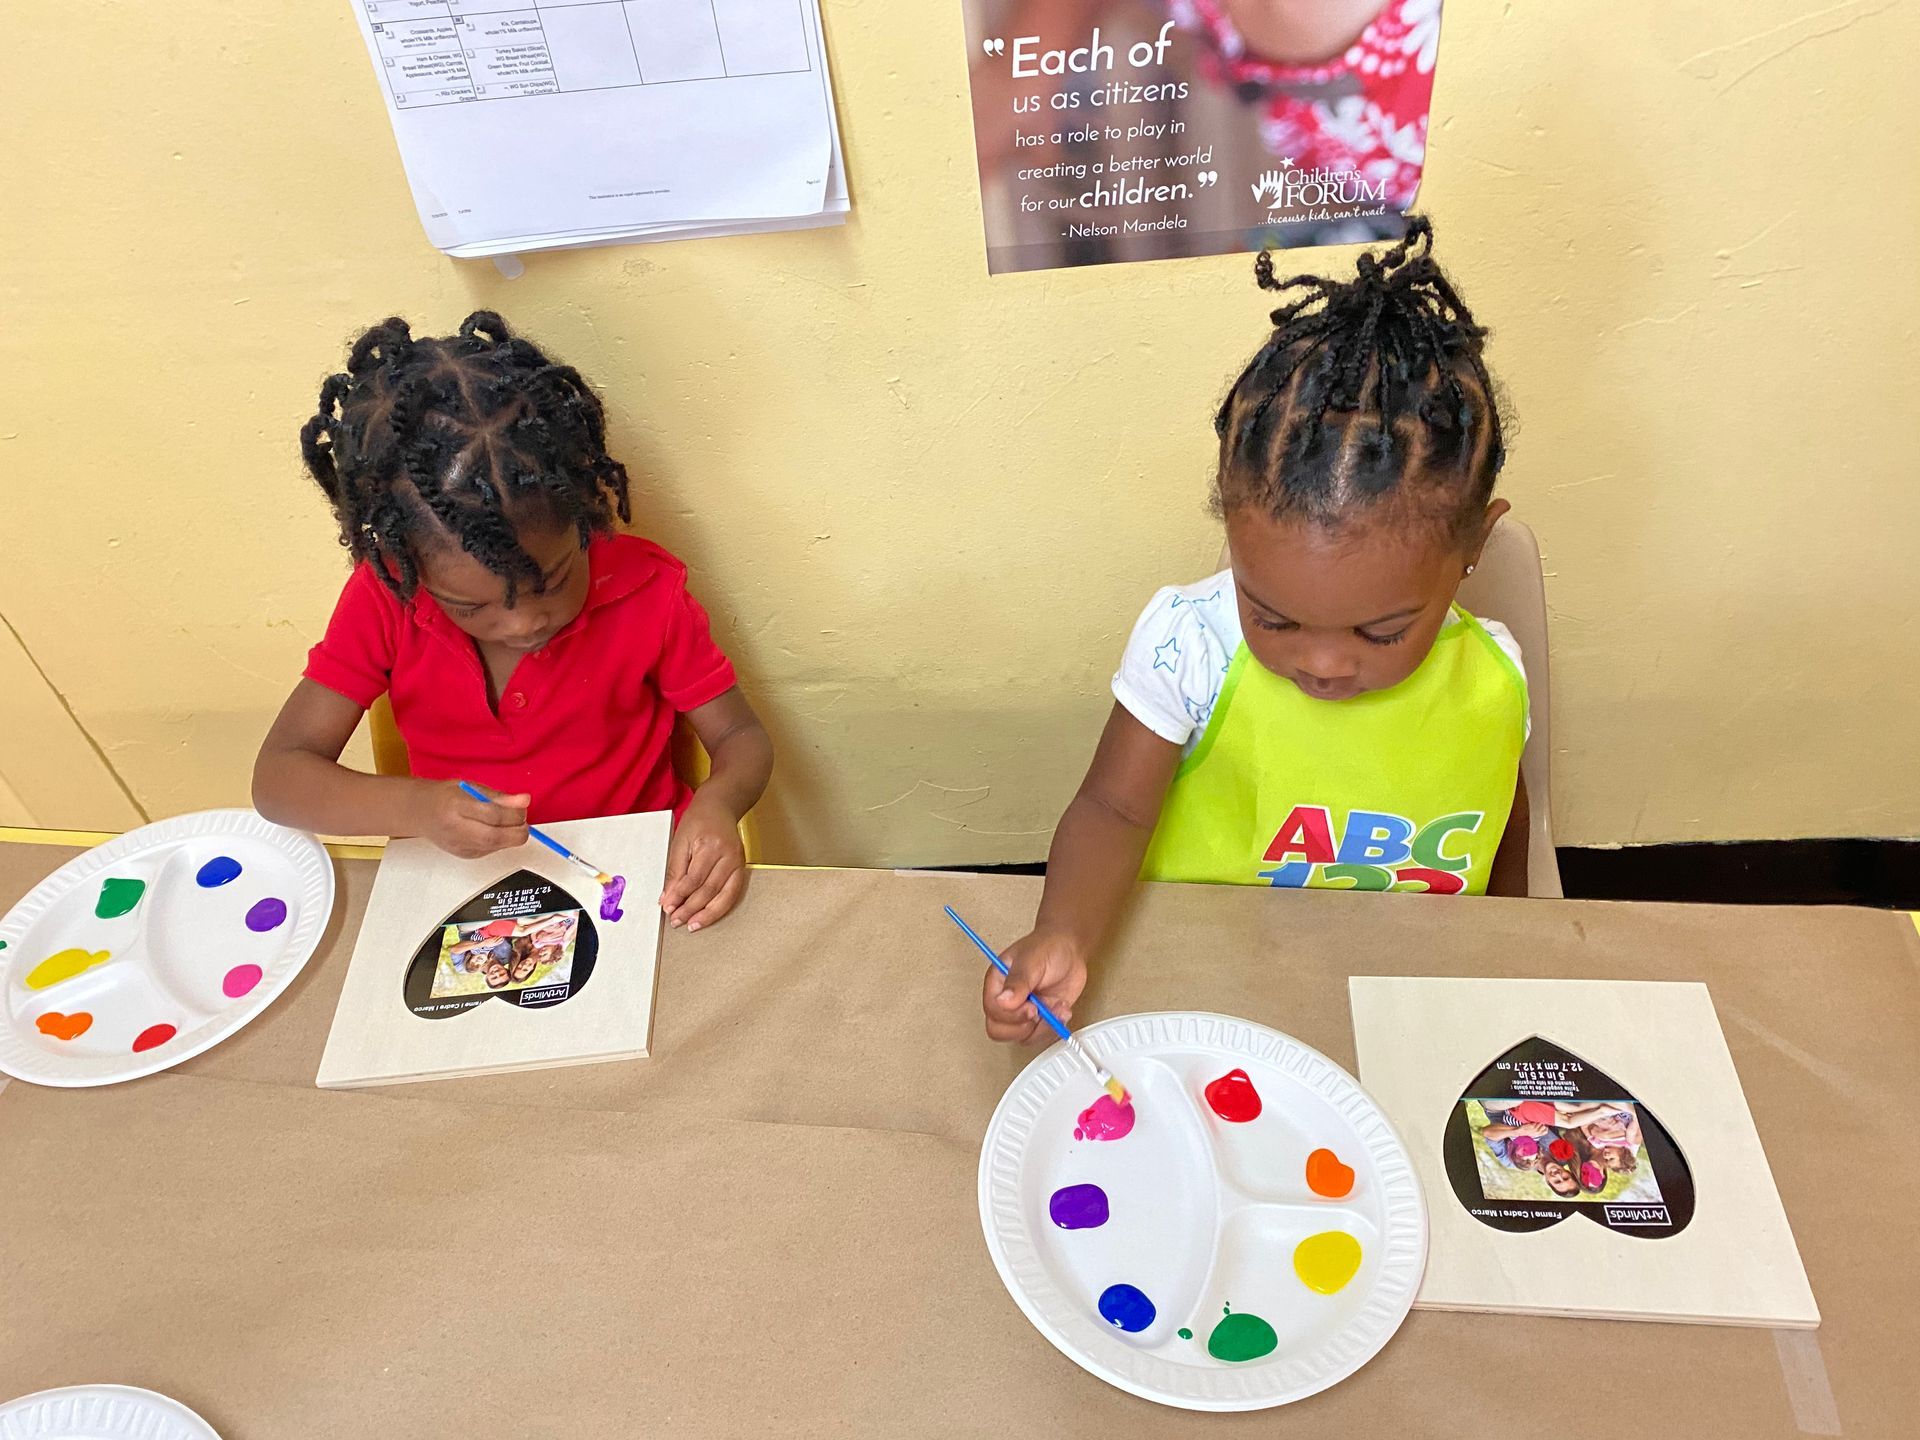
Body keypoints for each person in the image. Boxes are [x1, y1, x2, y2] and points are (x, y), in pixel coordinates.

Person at [985, 219, 1528, 1041]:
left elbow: (1498, 808)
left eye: (1379, 632)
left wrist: (1515, 942)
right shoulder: (1190, 644)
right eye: (1270, 616)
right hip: (1199, 977)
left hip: (1396, 1004)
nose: (1321, 663)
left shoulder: (1494, 673)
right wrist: (1064, 929)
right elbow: (1113, 809)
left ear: (1473, 547)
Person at [253, 314, 773, 932]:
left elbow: (741, 739)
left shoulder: (649, 593)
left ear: (585, 517)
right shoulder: (386, 598)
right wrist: (419, 808)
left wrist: (718, 803)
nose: (525, 623)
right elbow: (279, 778)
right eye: (470, 607)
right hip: (463, 889)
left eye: (551, 581)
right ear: (406, 565)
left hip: (640, 882)